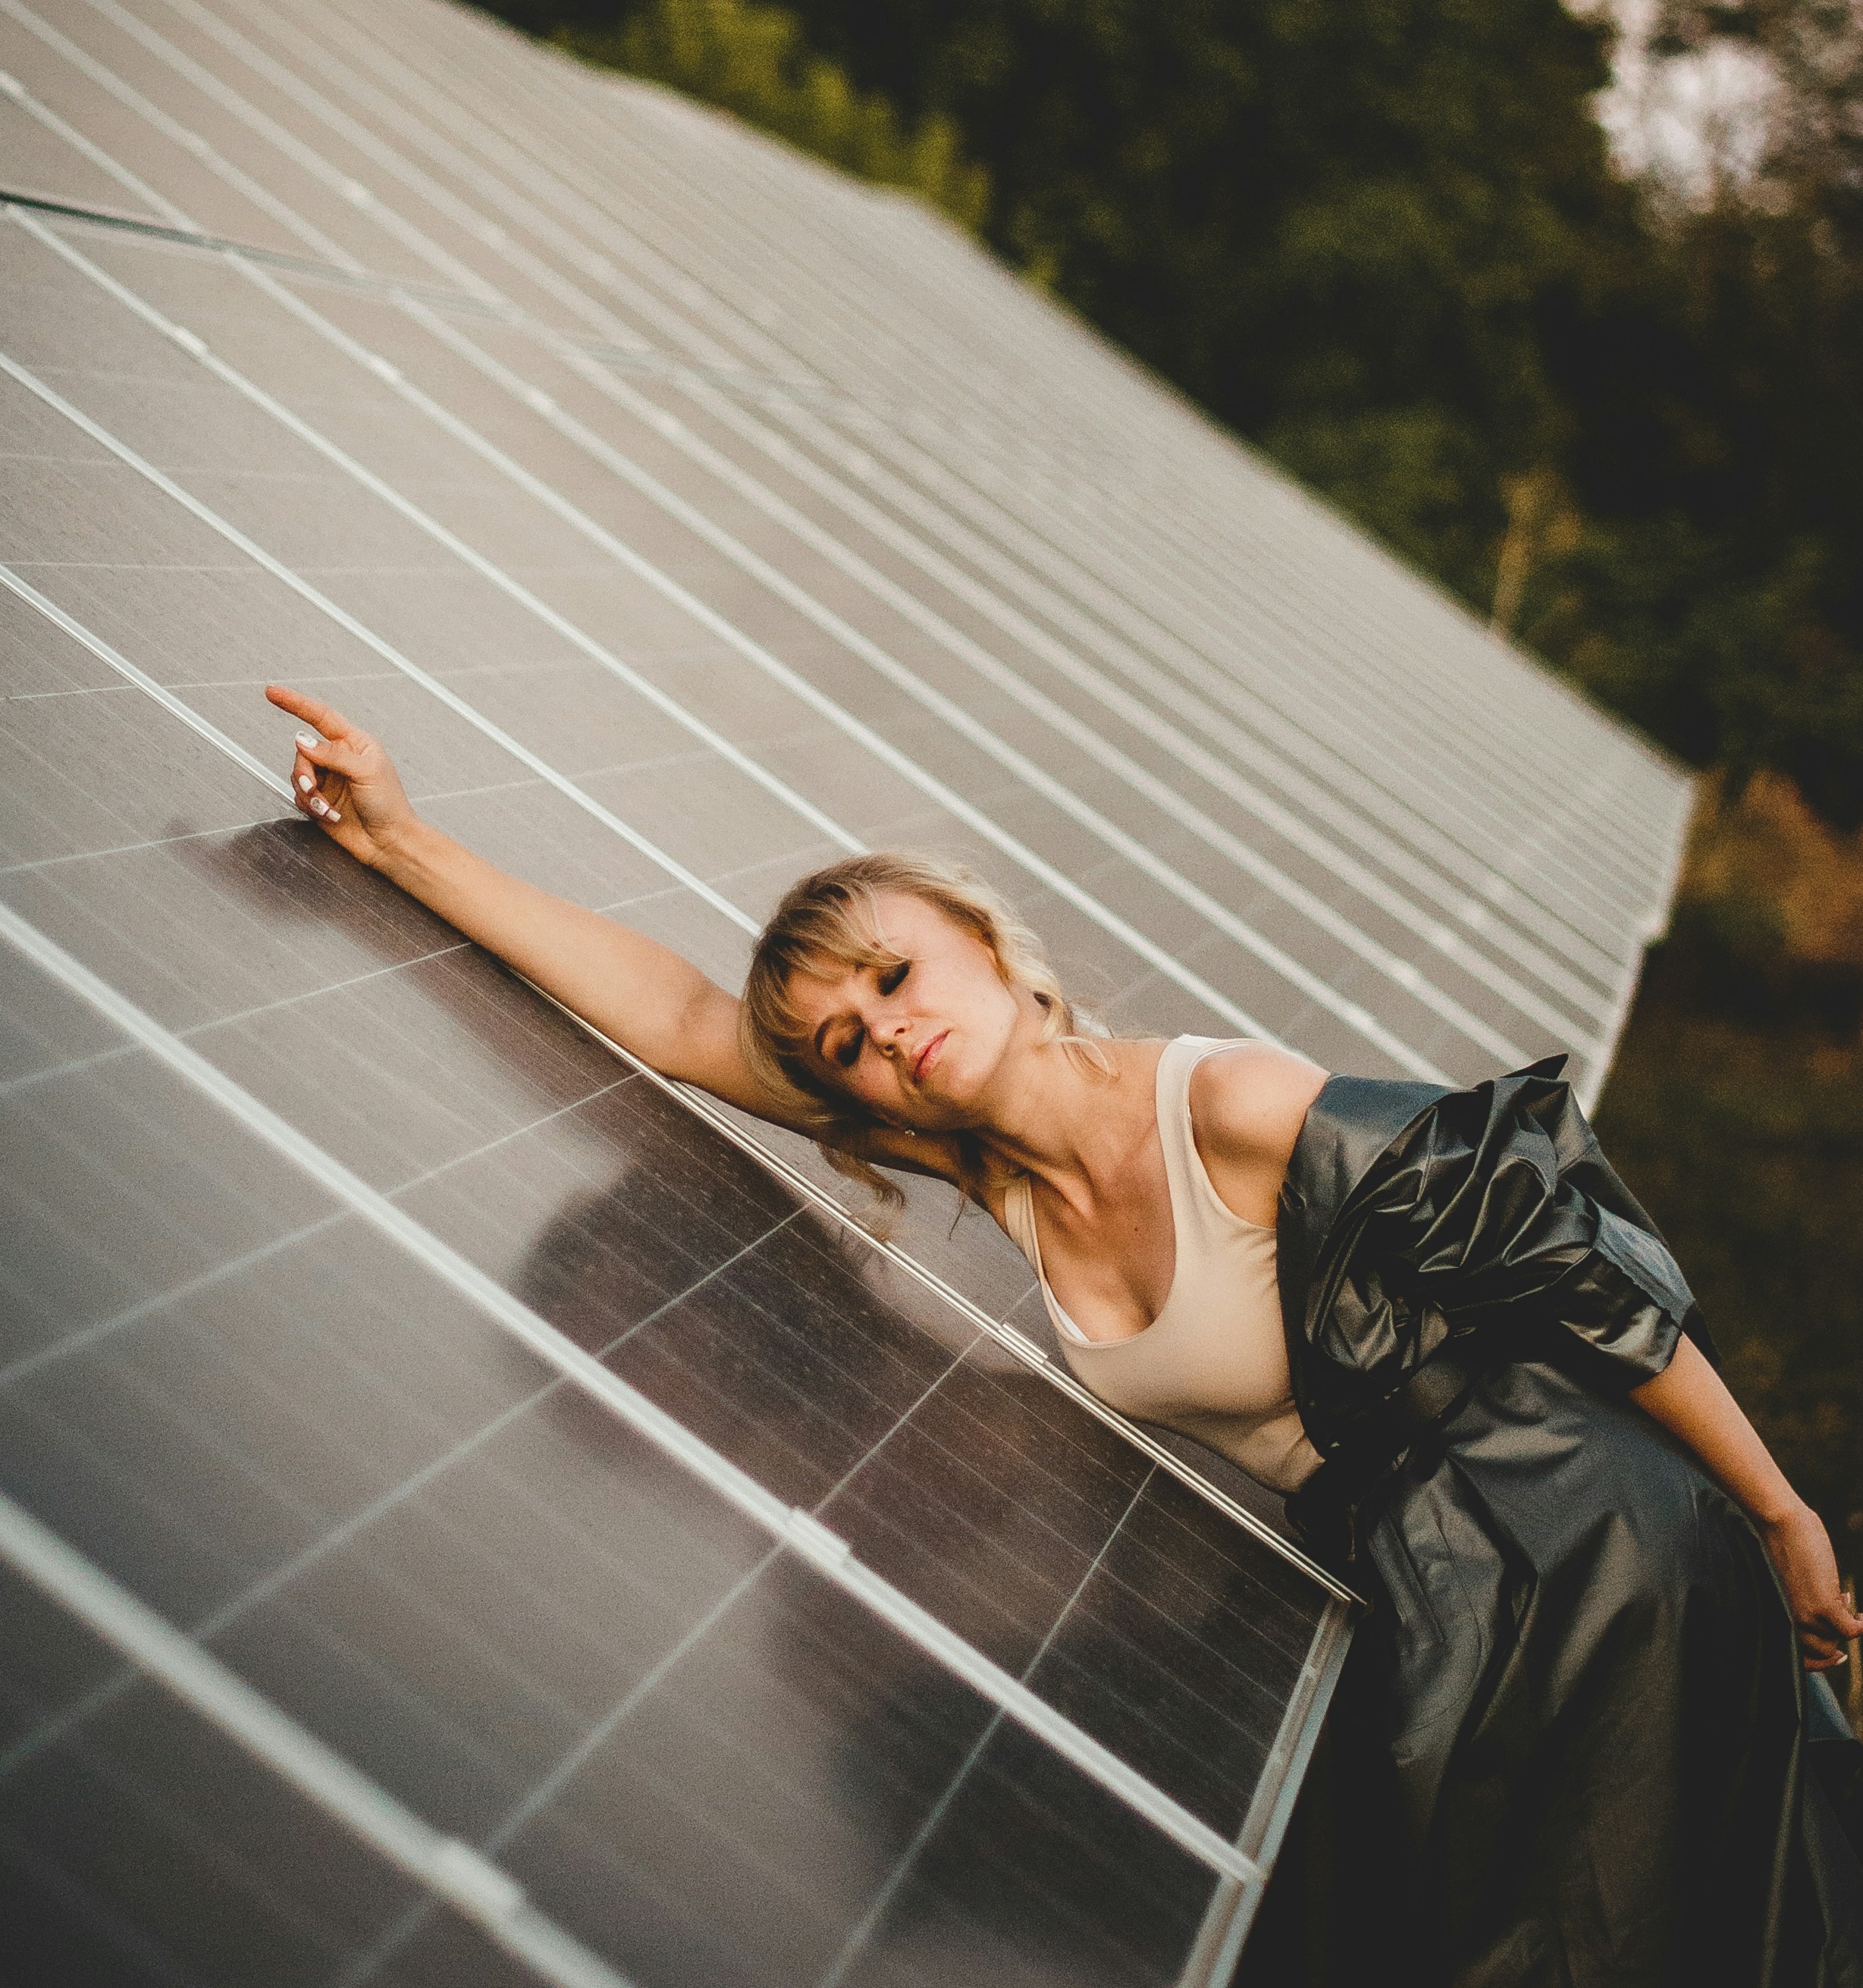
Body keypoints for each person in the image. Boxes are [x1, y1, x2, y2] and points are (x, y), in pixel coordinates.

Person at [267, 682, 1863, 1986]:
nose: (884, 1028)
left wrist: (1778, 1513)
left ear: (980, 938)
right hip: (1422, 1581)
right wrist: (401, 840)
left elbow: (1562, 1259)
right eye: (847, 1036)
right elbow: (686, 1020)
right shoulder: (972, 1166)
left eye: (894, 972)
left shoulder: (1228, 1106)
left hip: (1578, 1547)